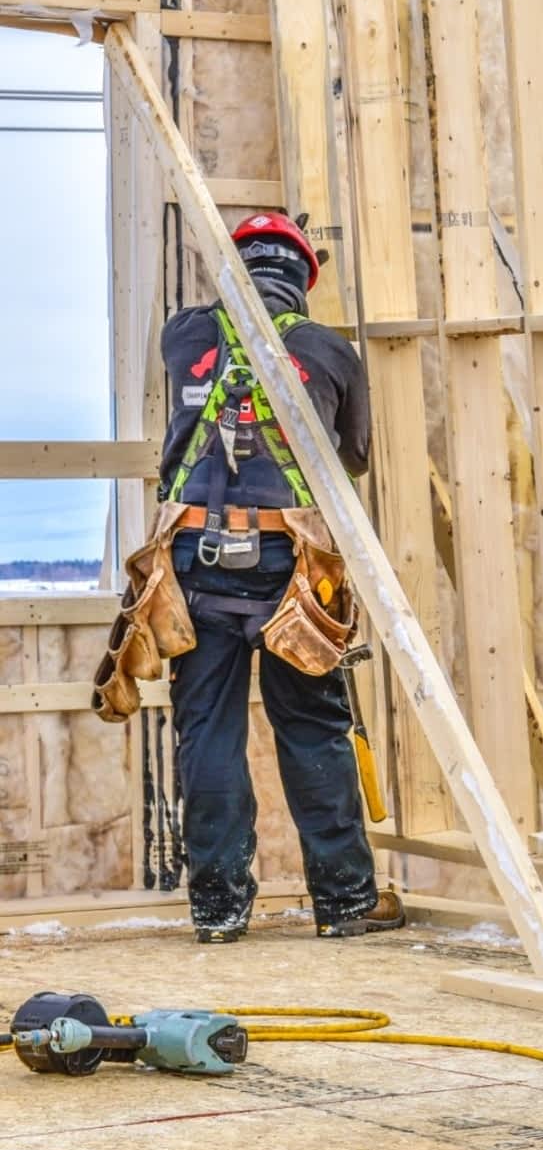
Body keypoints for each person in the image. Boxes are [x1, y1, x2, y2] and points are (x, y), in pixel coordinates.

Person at [152, 213, 402, 944]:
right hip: (291, 567)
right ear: (301, 277)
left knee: (207, 731)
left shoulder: (184, 336)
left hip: (194, 561)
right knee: (314, 726)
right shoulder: (328, 351)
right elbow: (352, 458)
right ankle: (345, 902)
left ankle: (219, 908)